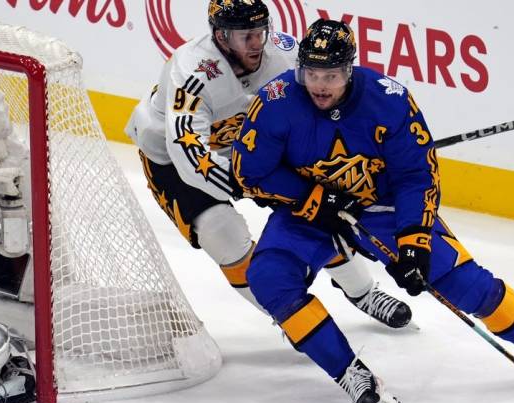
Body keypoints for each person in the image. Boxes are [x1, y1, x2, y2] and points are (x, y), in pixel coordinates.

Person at [231, 19, 514, 403]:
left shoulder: (389, 101)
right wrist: (312, 198)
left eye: (331, 75)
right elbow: (248, 171)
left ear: (349, 70)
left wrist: (413, 242)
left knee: (464, 283)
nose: (320, 85)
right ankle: (351, 374)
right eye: (312, 74)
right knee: (270, 278)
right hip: (312, 211)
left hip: (383, 207)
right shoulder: (278, 101)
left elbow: (415, 177)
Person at [125, 0, 411, 329]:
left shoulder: (285, 56)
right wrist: (250, 181)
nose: (257, 42)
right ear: (220, 36)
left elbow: (324, 106)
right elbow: (189, 153)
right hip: (172, 158)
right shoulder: (191, 71)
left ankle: (363, 292)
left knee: (316, 208)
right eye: (245, 36)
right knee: (222, 233)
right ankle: (289, 314)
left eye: (260, 31)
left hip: (249, 145)